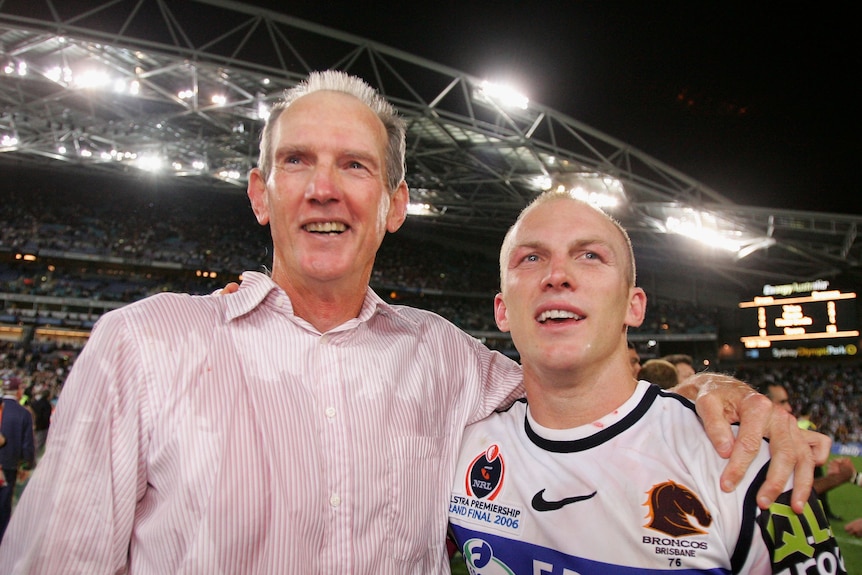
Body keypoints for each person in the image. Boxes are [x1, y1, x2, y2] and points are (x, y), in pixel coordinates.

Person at [0, 71, 822, 574]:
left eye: (355, 164)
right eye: (297, 161)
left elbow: (585, 382)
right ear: (259, 192)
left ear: (394, 205)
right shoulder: (142, 345)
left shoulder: (450, 361)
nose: (326, 188)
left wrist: (712, 386)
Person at [448, 191, 844, 573]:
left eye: (589, 255)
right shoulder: (456, 452)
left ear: (633, 306)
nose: (557, 275)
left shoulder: (745, 461)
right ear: (501, 311)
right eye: (531, 257)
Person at [760, 380, 853, 519]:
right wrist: (837, 478)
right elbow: (783, 497)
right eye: (782, 402)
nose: (789, 408)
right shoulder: (756, 445)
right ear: (763, 403)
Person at [0, 377, 35, 544]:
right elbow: (27, 444)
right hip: (9, 465)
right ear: (19, 391)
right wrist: (26, 466)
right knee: (3, 506)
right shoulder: (23, 413)